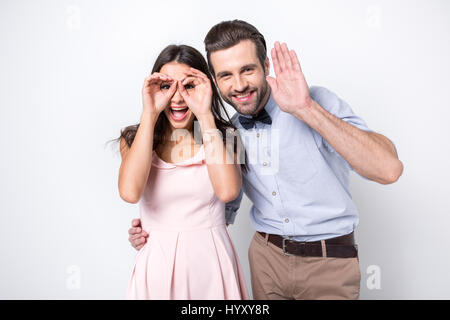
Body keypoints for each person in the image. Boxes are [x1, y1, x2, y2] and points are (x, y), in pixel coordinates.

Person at [128, 20, 404, 300]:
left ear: (266, 67)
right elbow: (223, 201)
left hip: (328, 260)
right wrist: (160, 229)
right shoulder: (230, 131)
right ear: (214, 81)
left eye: (247, 69)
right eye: (226, 75)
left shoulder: (316, 101)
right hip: (265, 262)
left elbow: (389, 169)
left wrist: (306, 109)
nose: (239, 85)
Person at [116, 44, 249, 299]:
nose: (177, 98)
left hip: (211, 265)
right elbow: (130, 193)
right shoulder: (133, 138)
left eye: (188, 86)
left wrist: (205, 114)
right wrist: (150, 113)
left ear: (204, 86)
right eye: (166, 86)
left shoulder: (229, 136)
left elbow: (228, 191)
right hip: (156, 264)